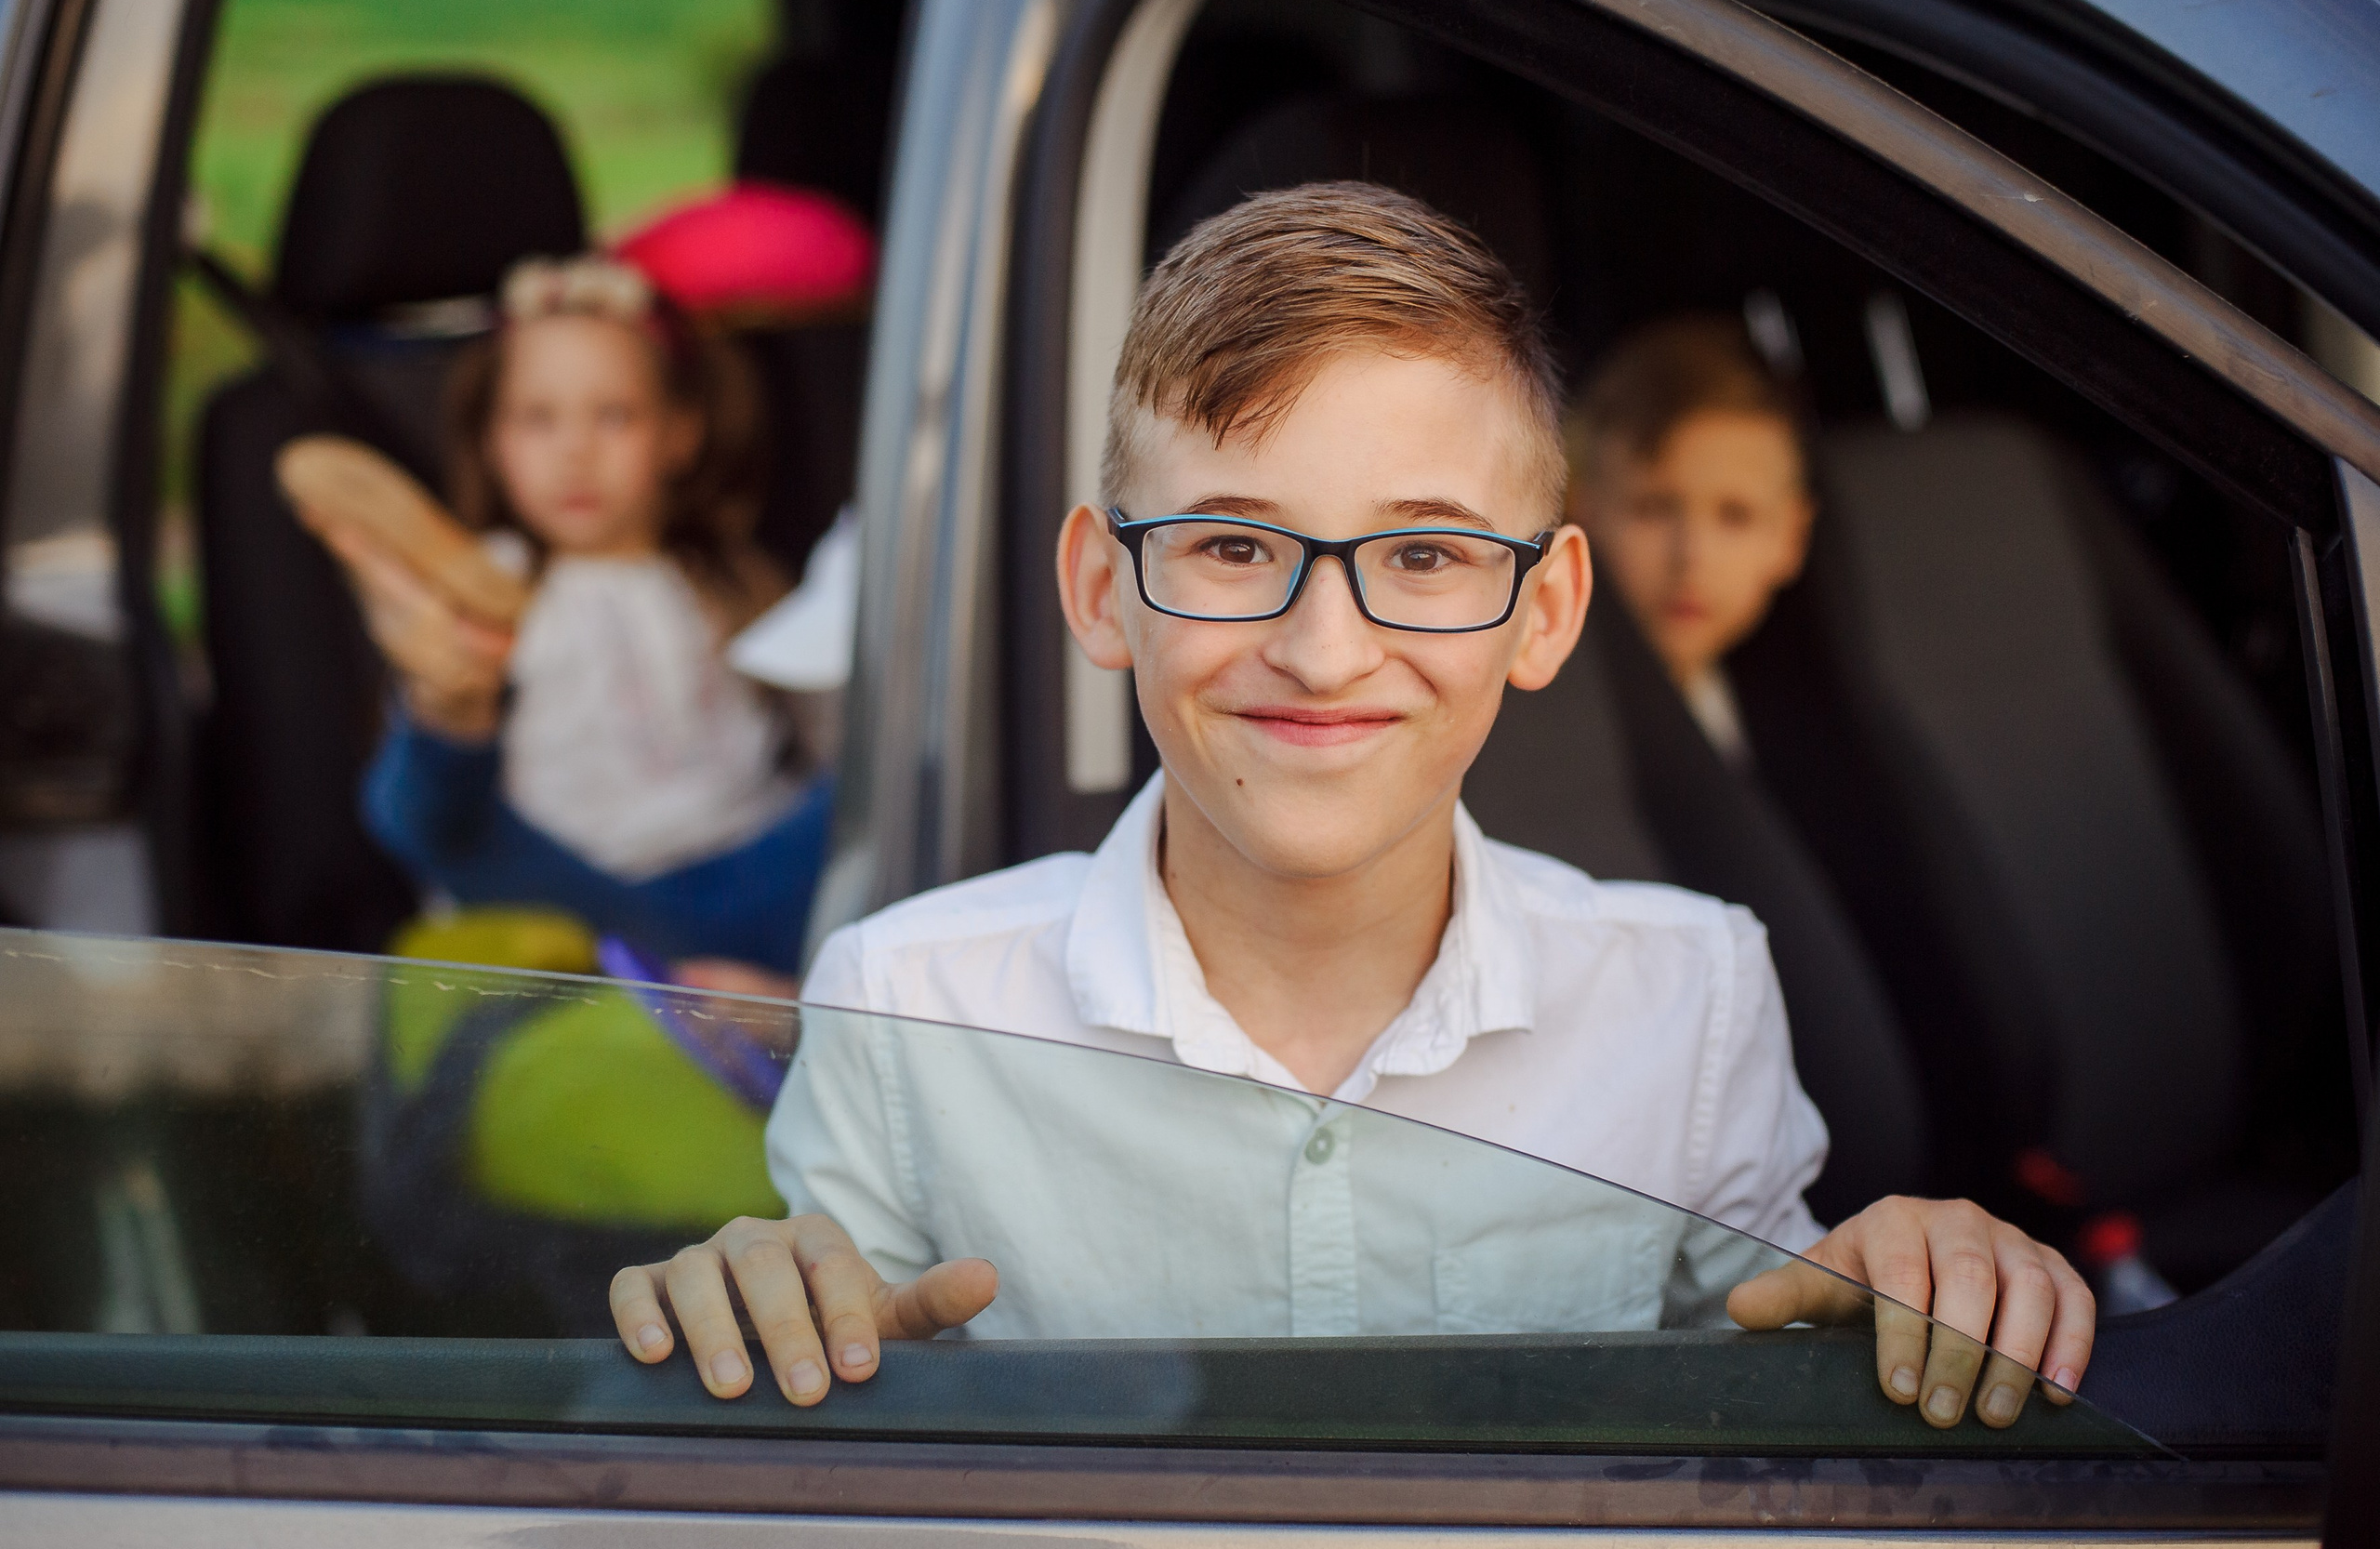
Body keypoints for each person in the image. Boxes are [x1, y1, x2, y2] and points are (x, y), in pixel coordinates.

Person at [606, 184, 2094, 1426]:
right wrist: (752, 1319)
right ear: (1099, 589)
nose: (1324, 650)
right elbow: (827, 1383)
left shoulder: (1688, 993)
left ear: (1547, 611)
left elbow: (1759, 1392)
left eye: (1429, 558)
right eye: (1233, 547)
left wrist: (1900, 1282)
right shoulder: (905, 1002)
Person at [322, 255, 833, 976]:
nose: (575, 451)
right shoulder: (488, 582)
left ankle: (742, 990)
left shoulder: (730, 582)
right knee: (434, 818)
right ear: (493, 442)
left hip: (746, 877)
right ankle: (685, 984)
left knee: (864, 799)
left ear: (679, 434)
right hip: (575, 894)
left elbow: (829, 742)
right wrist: (453, 689)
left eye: (614, 416)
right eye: (538, 420)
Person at [1565, 315, 1813, 768]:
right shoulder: (1558, 736)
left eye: (1735, 517)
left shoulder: (1800, 726)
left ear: (1792, 538)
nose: (1691, 559)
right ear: (1582, 515)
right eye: (1653, 509)